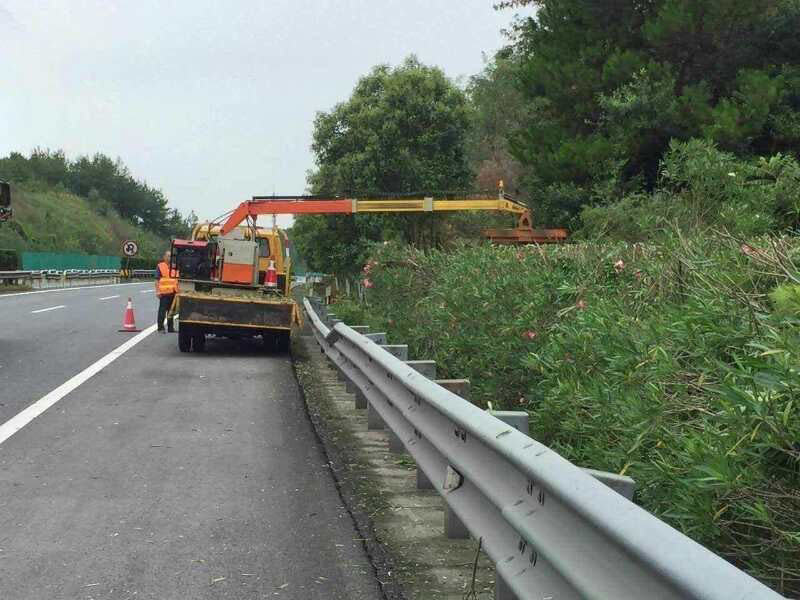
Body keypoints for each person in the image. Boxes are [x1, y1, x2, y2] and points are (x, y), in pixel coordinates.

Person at [155, 250, 179, 333]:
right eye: (168, 256)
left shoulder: (175, 266)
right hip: (164, 293)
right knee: (162, 311)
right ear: (164, 257)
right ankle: (160, 328)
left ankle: (170, 328)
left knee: (171, 311)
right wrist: (157, 291)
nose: (170, 258)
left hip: (173, 292)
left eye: (171, 256)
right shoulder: (160, 266)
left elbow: (177, 279)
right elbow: (157, 280)